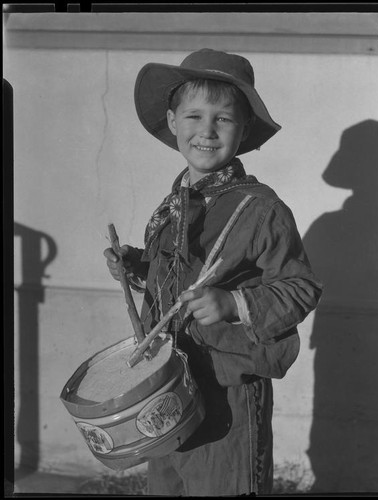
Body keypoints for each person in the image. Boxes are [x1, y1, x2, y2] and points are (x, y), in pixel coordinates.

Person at [104, 48, 323, 496]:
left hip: (228, 393)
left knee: (224, 487)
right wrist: (138, 267)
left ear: (243, 131)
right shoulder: (174, 206)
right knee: (169, 488)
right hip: (166, 388)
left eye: (223, 119)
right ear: (172, 121)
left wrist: (234, 303)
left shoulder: (261, 208)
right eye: (194, 116)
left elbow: (301, 287)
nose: (206, 130)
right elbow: (181, 280)